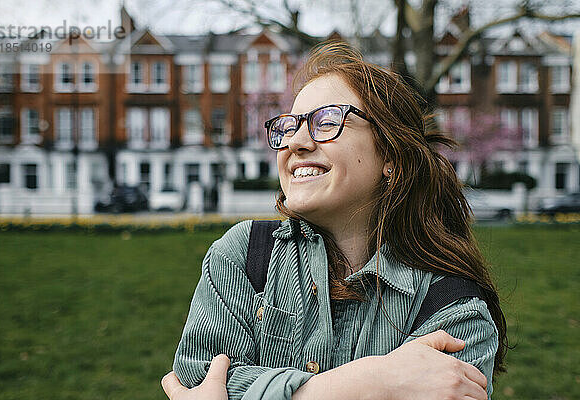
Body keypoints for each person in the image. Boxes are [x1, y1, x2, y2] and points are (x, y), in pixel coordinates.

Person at [162, 41, 508, 400]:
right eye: (288, 127)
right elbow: (197, 377)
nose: (295, 142)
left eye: (326, 121)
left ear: (391, 155)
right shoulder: (245, 254)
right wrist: (375, 382)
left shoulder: (453, 307)